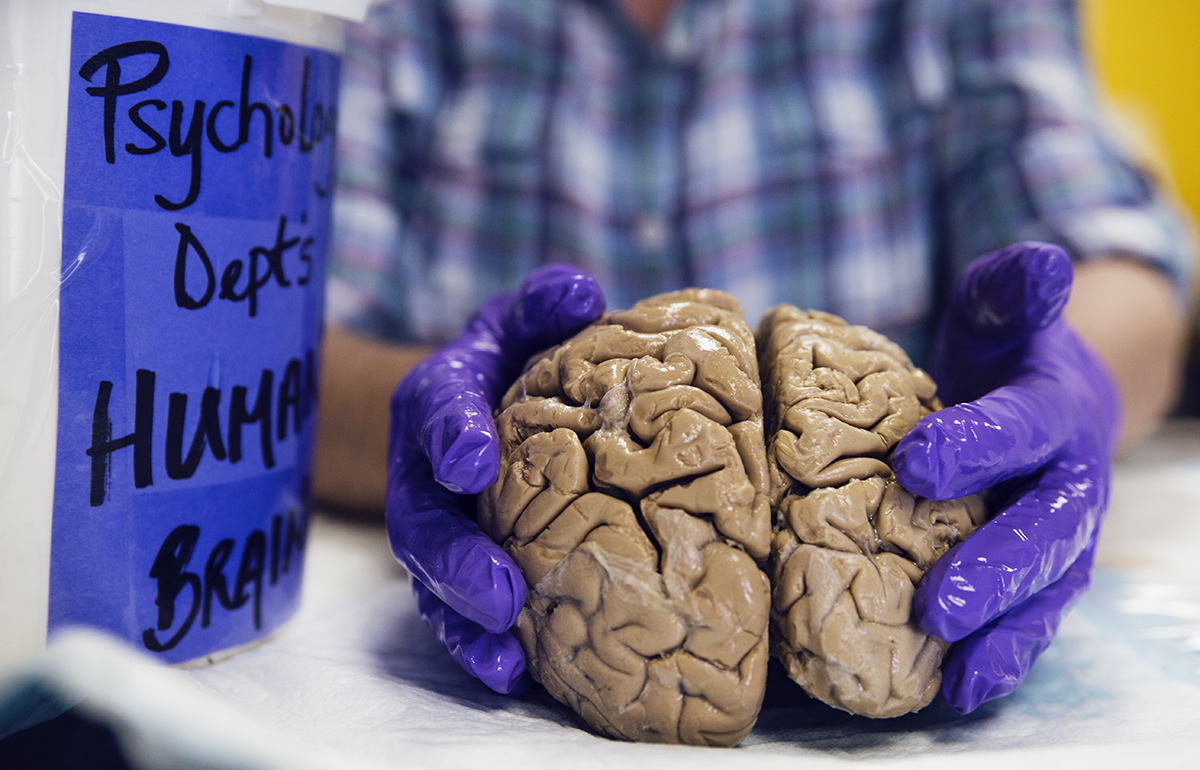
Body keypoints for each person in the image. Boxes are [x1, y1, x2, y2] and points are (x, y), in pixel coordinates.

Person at [314, 0, 1195, 714]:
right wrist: (441, 422)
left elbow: (1113, 251)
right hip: (535, 605)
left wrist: (1071, 380)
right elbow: (287, 345)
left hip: (897, 543)